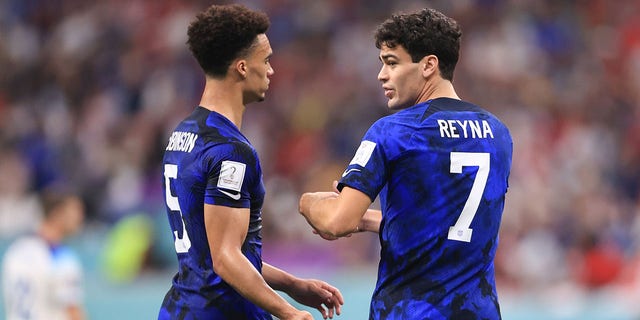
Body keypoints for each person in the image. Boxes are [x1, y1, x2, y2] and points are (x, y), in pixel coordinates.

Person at [298, 8, 513, 320]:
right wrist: (370, 220)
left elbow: (336, 222)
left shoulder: (395, 131)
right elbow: (452, 223)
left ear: (428, 65)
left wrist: (310, 203)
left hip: (411, 310)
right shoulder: (498, 133)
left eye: (391, 63)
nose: (381, 75)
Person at [158, 4, 343, 320]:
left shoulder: (184, 133)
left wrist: (291, 284)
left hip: (181, 307)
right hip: (223, 312)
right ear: (242, 67)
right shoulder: (231, 151)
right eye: (267, 60)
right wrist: (289, 312)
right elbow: (226, 259)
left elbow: (212, 252)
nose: (271, 70)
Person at [2, 189, 86, 320]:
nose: (80, 217)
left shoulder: (15, 250)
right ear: (57, 214)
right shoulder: (60, 257)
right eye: (75, 211)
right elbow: (72, 311)